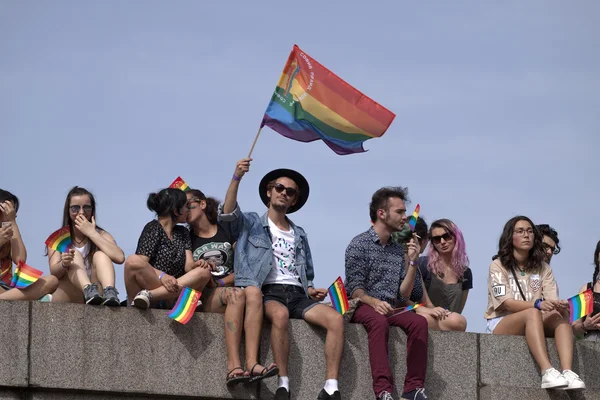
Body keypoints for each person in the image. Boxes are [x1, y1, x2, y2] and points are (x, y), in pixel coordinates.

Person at [219, 158, 344, 400]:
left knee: (336, 320)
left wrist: (310, 289)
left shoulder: (299, 233)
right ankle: (283, 383)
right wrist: (237, 177)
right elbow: (227, 214)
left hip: (297, 294)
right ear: (269, 191)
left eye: (290, 192)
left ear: (294, 199)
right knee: (279, 315)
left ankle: (331, 386)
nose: (284, 194)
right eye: (279, 188)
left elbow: (306, 270)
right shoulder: (253, 222)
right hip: (267, 291)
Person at [345, 186, 429, 400]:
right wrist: (374, 302)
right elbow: (355, 290)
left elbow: (403, 294)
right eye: (399, 212)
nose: (404, 217)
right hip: (363, 306)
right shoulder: (358, 244)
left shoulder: (396, 248)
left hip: (391, 307)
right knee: (378, 322)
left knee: (419, 323)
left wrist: (412, 262)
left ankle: (413, 388)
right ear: (382, 214)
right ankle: (383, 391)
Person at [186, 189, 277, 385]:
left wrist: (220, 281)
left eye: (188, 204)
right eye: (181, 208)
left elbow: (243, 268)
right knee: (236, 295)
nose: (184, 210)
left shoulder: (226, 231)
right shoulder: (186, 237)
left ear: (202, 204)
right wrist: (198, 267)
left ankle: (252, 363)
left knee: (251, 291)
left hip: (226, 287)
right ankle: (233, 366)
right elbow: (184, 268)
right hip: (202, 295)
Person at [484, 216, 585, 390]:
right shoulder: (497, 265)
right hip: (502, 321)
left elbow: (551, 301)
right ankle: (547, 371)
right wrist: (537, 304)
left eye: (530, 231)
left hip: (536, 319)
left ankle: (568, 372)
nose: (526, 235)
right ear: (510, 236)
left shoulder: (544, 268)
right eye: (520, 231)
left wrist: (559, 305)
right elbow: (506, 303)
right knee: (532, 312)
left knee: (560, 314)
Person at [124, 188, 212, 309]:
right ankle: (173, 299)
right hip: (154, 283)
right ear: (176, 211)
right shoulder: (153, 228)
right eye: (186, 207)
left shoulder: (183, 232)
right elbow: (141, 263)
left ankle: (153, 295)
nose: (188, 210)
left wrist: (198, 264)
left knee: (204, 272)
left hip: (172, 290)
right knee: (132, 261)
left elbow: (189, 266)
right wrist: (162, 276)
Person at [47, 187, 124, 305]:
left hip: (98, 291)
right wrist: (64, 264)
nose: (81, 212)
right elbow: (54, 272)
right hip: (71, 292)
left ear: (92, 210)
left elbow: (119, 257)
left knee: (100, 255)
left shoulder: (101, 234)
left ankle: (110, 291)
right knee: (73, 254)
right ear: (68, 210)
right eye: (75, 208)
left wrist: (92, 233)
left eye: (86, 208)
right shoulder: (59, 237)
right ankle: (88, 290)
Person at [0, 189, 58, 301]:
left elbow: (20, 260)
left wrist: (12, 221)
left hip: (9, 288)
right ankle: (23, 298)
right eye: (6, 209)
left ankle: (7, 299)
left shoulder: (9, 230)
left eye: (12, 210)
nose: (10, 212)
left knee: (51, 280)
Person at [418, 219, 472, 314]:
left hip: (451, 324)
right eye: (437, 239)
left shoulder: (465, 273)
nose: (442, 242)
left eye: (446, 236)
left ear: (456, 237)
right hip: (424, 320)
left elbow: (458, 310)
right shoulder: (424, 264)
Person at [571, 240, 600, 340]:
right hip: (591, 345)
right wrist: (584, 326)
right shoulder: (585, 288)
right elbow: (573, 326)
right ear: (597, 257)